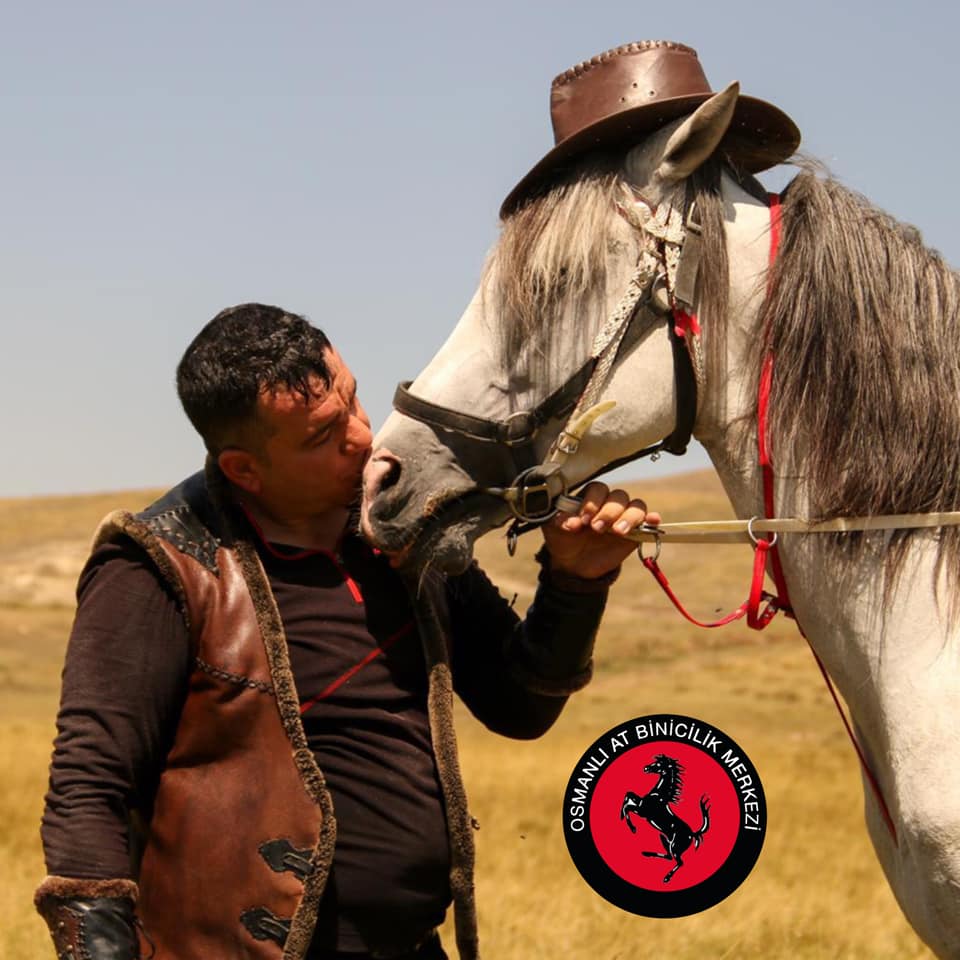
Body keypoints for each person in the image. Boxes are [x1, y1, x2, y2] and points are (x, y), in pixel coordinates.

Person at [35, 304, 658, 960]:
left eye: (354, 401)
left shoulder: (405, 526)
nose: (363, 438)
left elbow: (520, 706)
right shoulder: (159, 565)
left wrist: (576, 581)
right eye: (322, 436)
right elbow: (90, 783)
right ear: (245, 469)